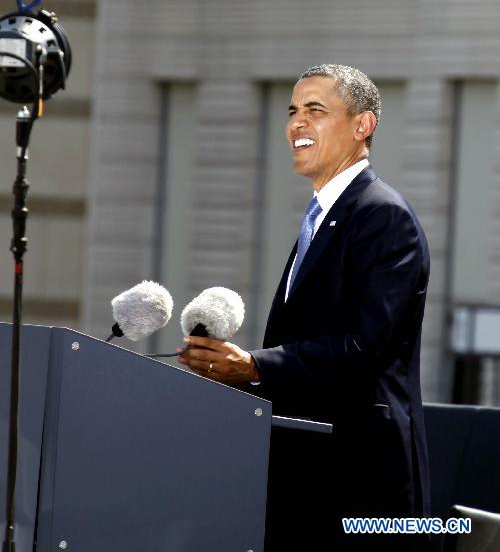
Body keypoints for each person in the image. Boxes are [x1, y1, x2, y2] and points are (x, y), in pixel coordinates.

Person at [178, 64, 430, 551]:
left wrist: (253, 365)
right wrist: (241, 371)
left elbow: (364, 347)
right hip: (308, 475)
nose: (297, 123)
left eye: (316, 110)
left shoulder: (383, 216)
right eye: (293, 111)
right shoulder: (325, 216)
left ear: (363, 126)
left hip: (360, 485)